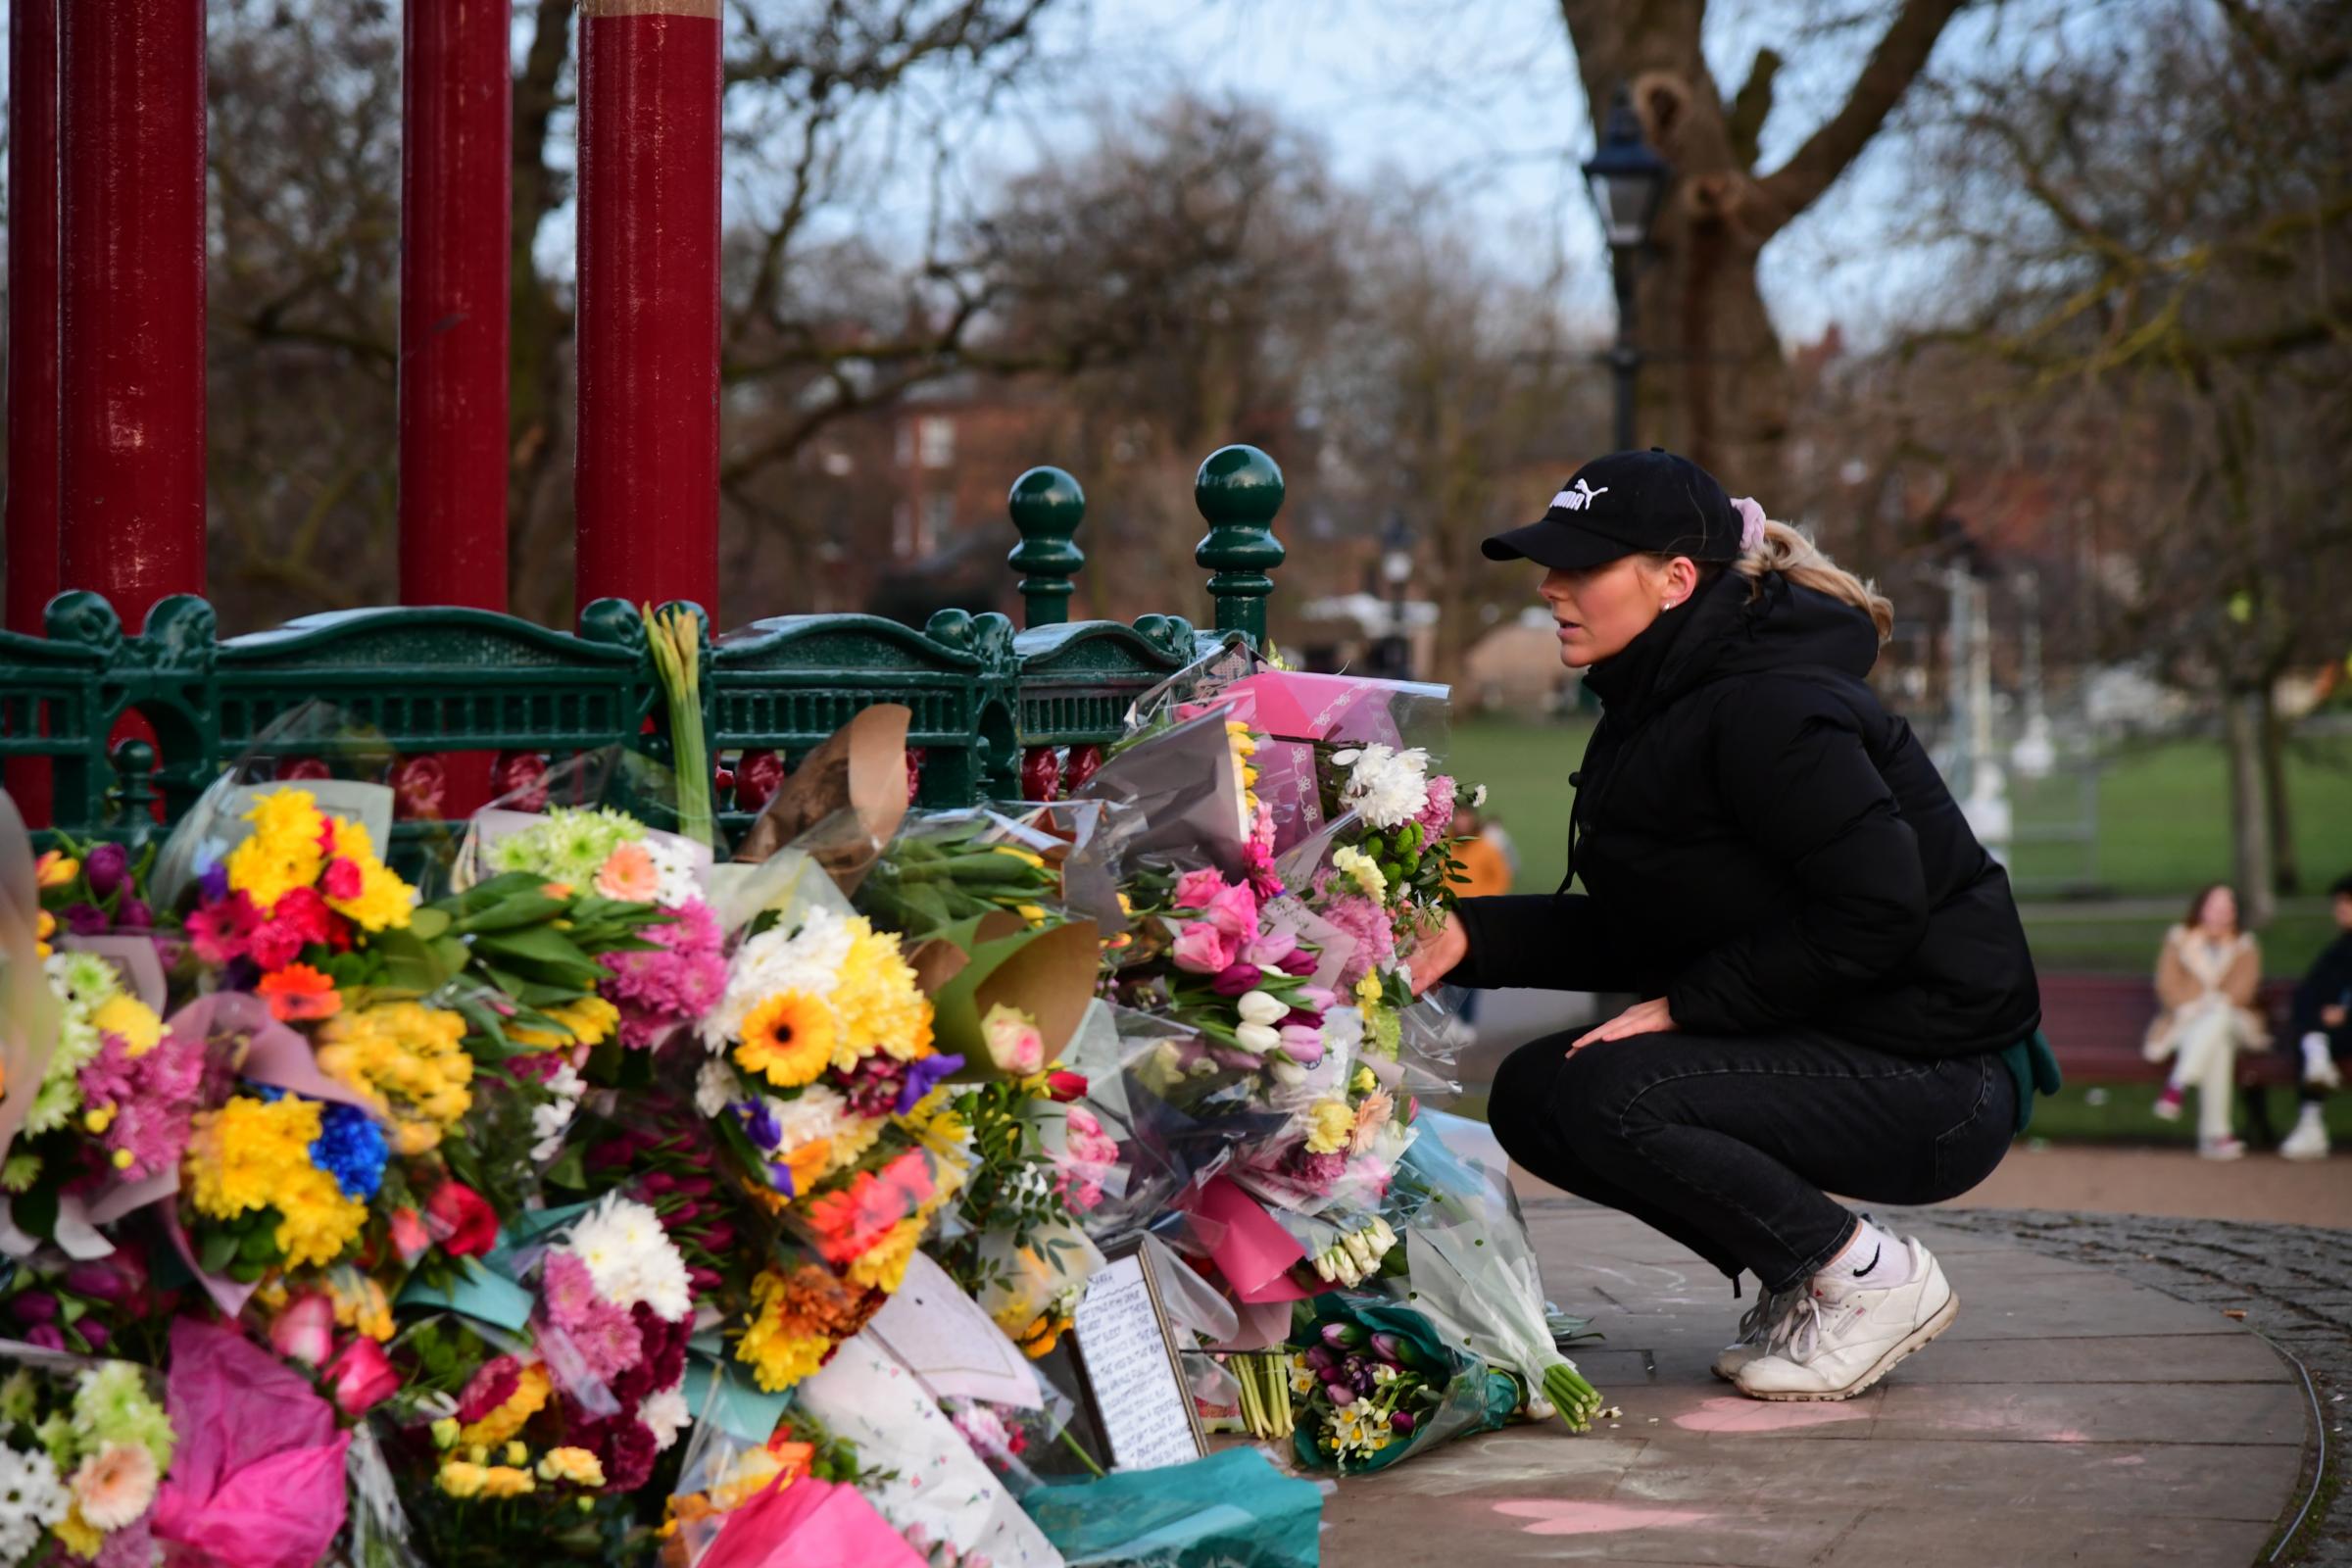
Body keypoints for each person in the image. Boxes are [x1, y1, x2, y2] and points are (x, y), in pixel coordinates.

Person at [1410, 449, 2046, 1404]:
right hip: (1839, 1034)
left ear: (1674, 580)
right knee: (1540, 1092)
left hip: (1939, 1076)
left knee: (1609, 1096)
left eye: (1581, 566)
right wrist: (1472, 938)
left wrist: (1689, 1006)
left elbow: (1876, 907)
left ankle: (1866, 1277)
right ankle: (1808, 1279)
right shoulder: (1658, 700)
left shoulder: (1772, 705)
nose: (1550, 586)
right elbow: (1657, 926)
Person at [2143, 884, 2266, 1160]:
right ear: (2201, 909)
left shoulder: (2244, 946)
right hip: (2187, 1024)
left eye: (2228, 907)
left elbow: (2244, 991)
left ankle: (2178, 1084)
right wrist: (2195, 1007)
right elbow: (2167, 986)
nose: (2222, 913)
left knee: (2220, 1016)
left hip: (2236, 1022)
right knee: (2218, 1044)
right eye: (2215, 906)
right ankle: (2216, 1136)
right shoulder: (2180, 941)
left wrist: (2213, 1005)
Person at [2279, 870, 2352, 1160]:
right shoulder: (2338, 949)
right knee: (2308, 1023)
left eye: (2347, 903)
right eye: (2339, 903)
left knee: (2311, 1040)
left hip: (2345, 1028)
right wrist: (2322, 1013)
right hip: (2333, 1032)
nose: (2341, 909)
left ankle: (2311, 1124)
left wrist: (2345, 1012)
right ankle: (2317, 1053)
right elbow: (2309, 991)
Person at [1442, 806, 1516, 1034]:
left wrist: (1488, 902)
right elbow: (1437, 875)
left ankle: (1467, 1021)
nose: (1462, 822)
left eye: (1466, 817)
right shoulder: (1445, 845)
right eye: (1458, 817)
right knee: (1445, 969)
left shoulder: (1486, 847)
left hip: (1476, 917)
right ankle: (1449, 1019)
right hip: (1448, 914)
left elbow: (1501, 877)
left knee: (1472, 970)